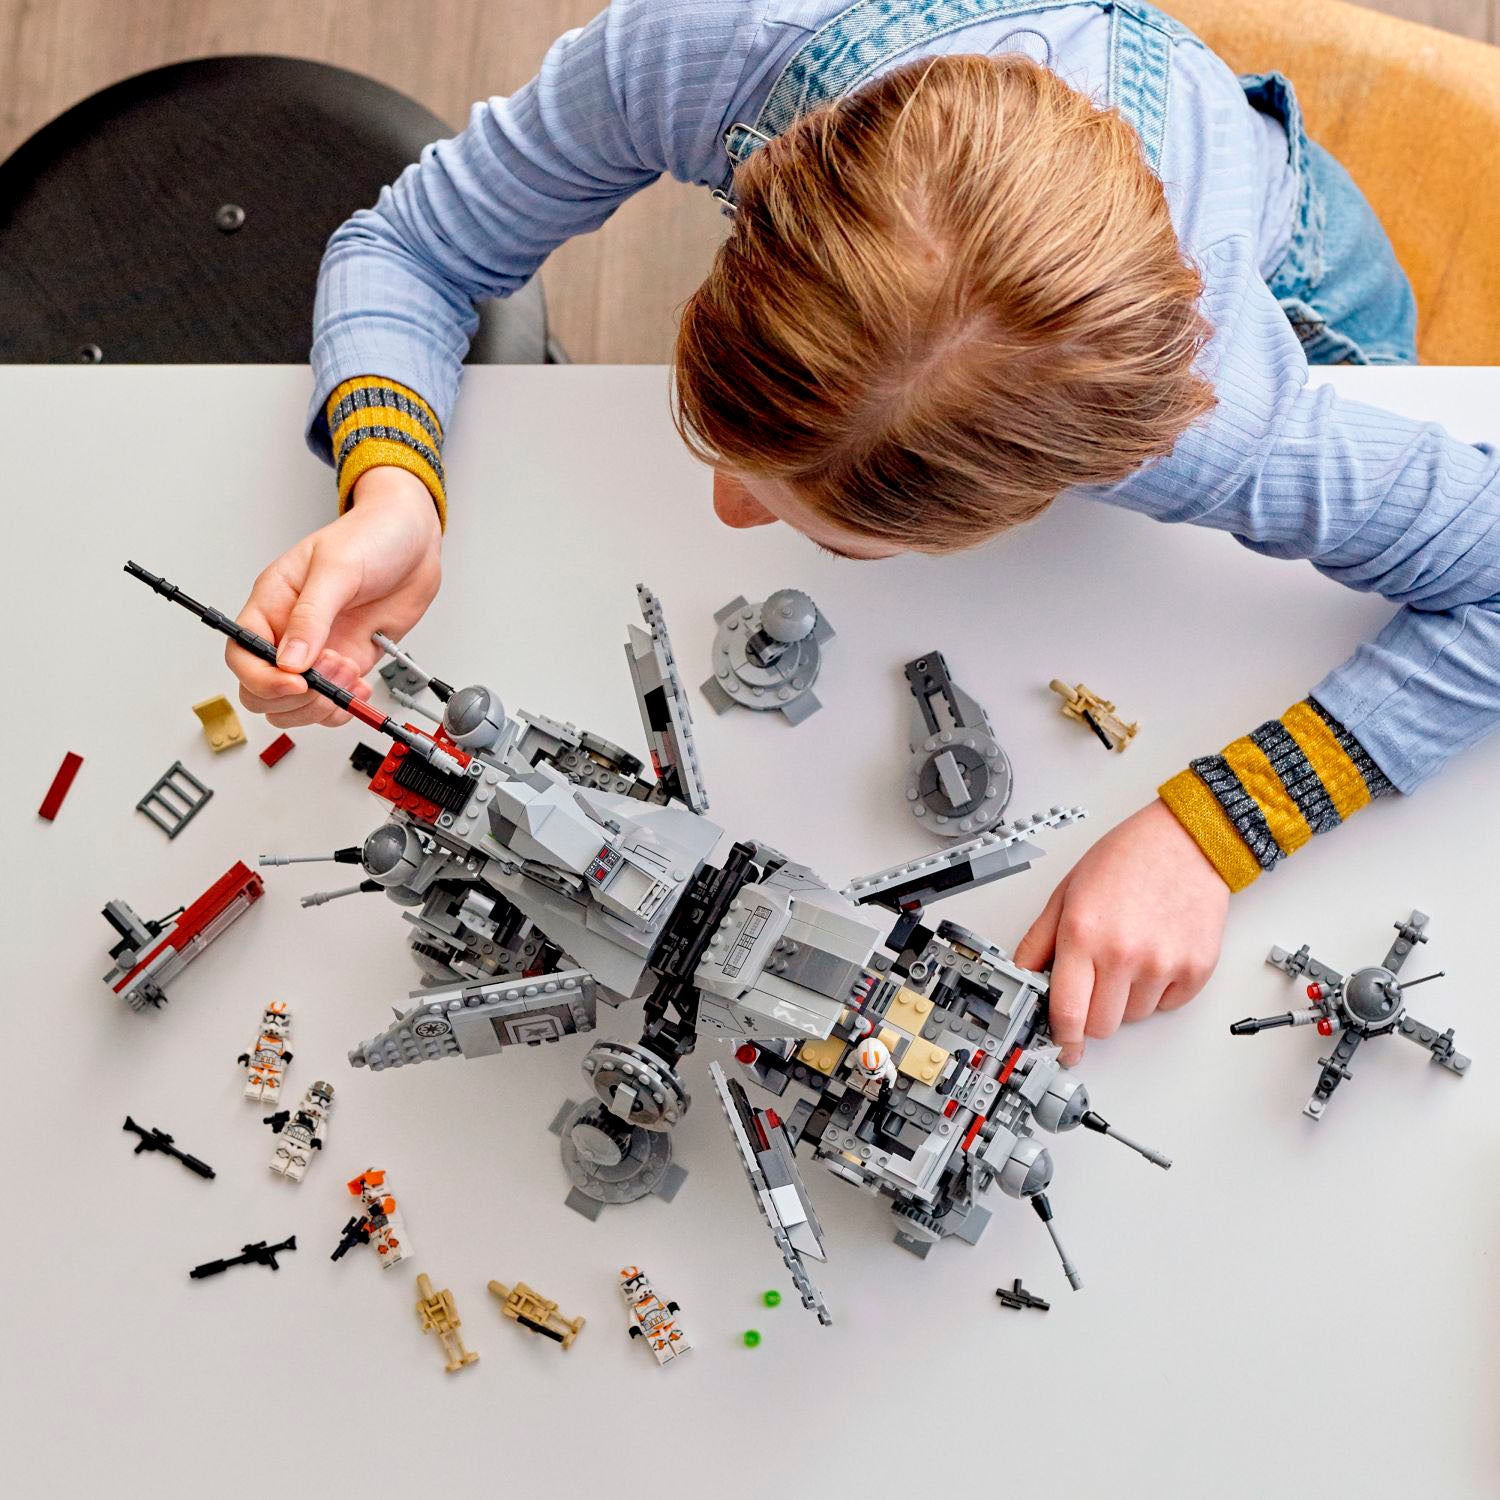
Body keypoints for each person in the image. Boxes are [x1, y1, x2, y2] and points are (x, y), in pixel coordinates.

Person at [225, 0, 1500, 1067]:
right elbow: (411, 245)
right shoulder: (700, 41)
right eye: (716, 423)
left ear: (1051, 498)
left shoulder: (1225, 432)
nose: (724, 516)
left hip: (1299, 272)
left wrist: (1214, 831)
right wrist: (392, 488)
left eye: (825, 537)